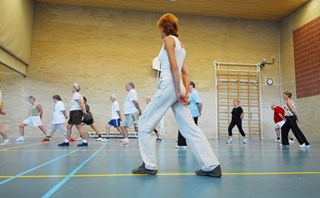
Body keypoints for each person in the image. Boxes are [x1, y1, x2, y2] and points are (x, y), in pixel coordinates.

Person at [132, 13, 221, 177]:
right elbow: (186, 73)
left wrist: (178, 91)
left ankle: (149, 165)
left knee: (144, 122)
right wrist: (185, 92)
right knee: (189, 127)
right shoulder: (181, 45)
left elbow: (174, 67)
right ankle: (211, 165)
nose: (159, 32)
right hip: (176, 86)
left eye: (159, 28)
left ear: (163, 27)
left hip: (169, 84)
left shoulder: (168, 40)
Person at [176, 81, 202, 148]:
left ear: (191, 86)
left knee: (192, 129)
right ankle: (182, 143)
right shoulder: (190, 94)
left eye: (187, 85)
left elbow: (200, 104)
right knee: (185, 127)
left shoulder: (194, 93)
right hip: (189, 114)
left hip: (194, 114)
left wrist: (199, 112)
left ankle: (185, 143)